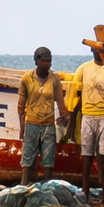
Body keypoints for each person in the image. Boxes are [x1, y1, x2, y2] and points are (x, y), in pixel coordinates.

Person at [72, 47, 104, 207]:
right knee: (86, 158)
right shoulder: (83, 69)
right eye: (96, 50)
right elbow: (75, 92)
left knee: (103, 159)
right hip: (87, 116)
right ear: (91, 50)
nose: (99, 53)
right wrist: (72, 117)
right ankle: (85, 195)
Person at [17, 47, 66, 184]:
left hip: (48, 126)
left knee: (48, 161)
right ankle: (24, 185)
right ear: (37, 61)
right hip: (31, 124)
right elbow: (21, 107)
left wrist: (66, 118)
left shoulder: (55, 81)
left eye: (49, 61)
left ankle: (47, 189)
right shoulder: (26, 79)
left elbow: (61, 105)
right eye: (44, 61)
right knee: (27, 161)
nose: (47, 64)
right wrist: (22, 129)